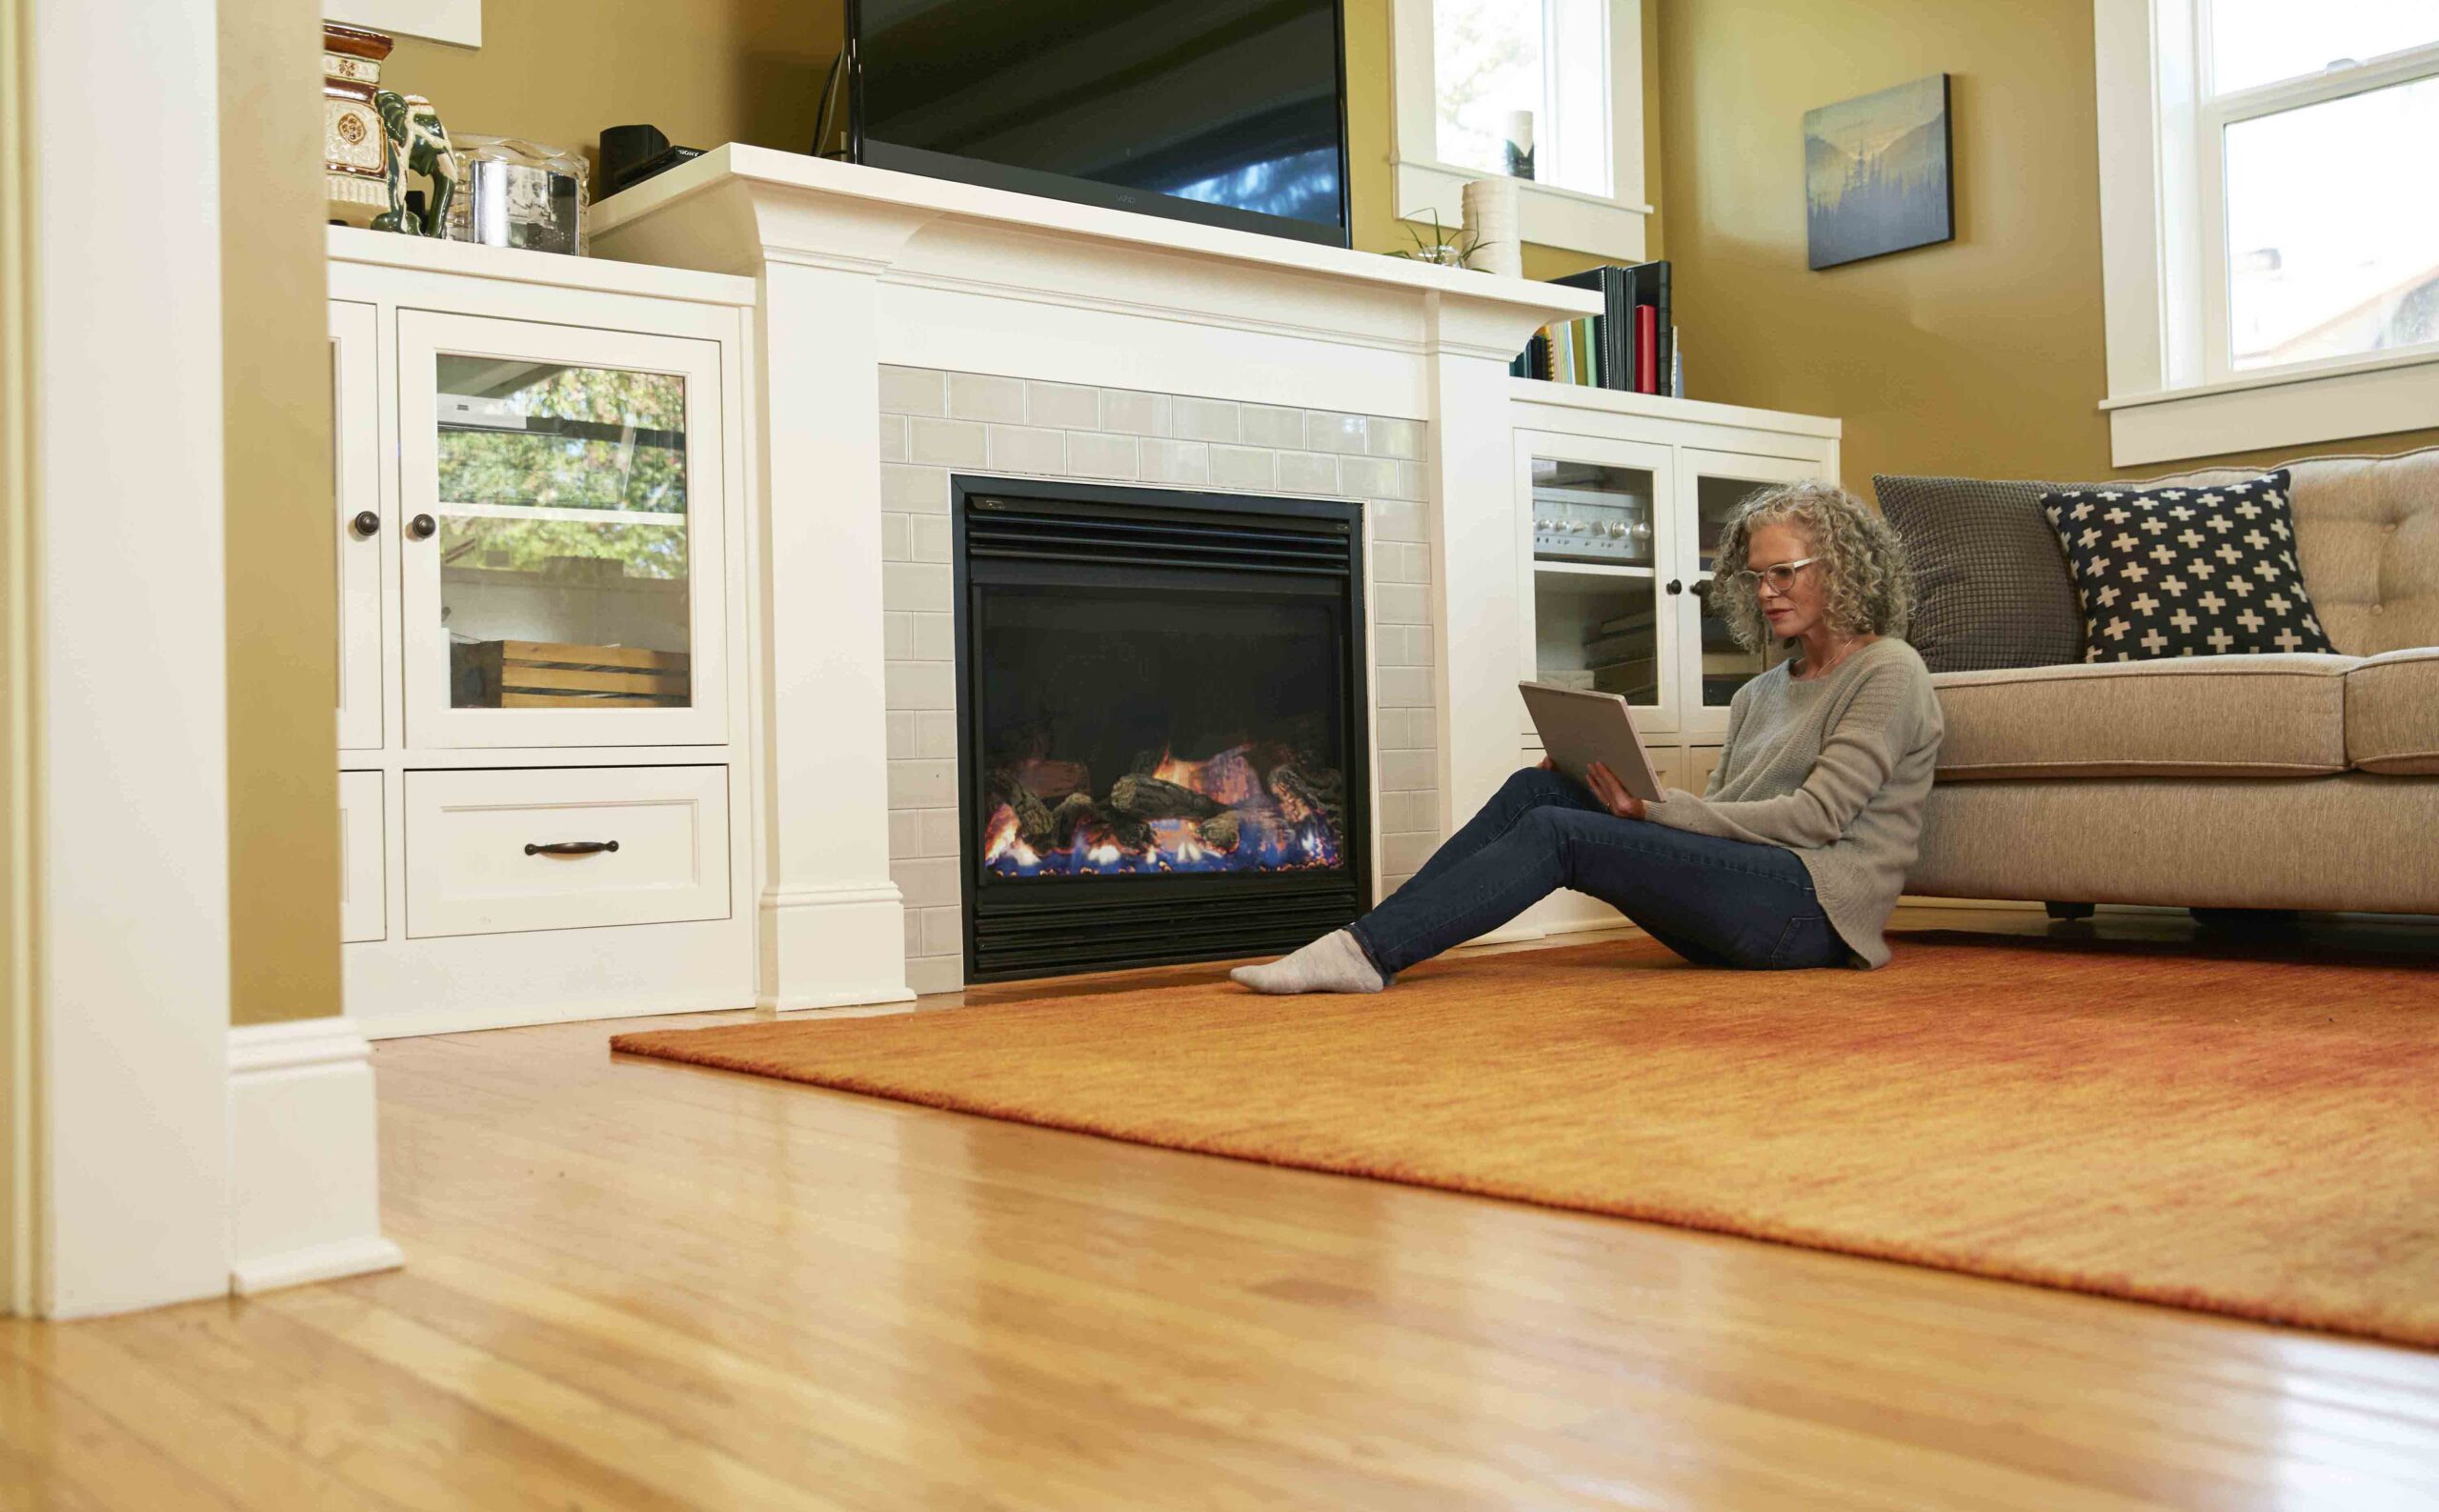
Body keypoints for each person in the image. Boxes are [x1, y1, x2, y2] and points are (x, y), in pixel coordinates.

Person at [1232, 480, 1943, 993]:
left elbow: (1816, 820)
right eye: (1755, 576)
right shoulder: (1761, 691)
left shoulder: (1889, 671)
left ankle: (1365, 952)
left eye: (1783, 573)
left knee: (1559, 833)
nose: (1764, 592)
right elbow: (1723, 817)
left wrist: (1652, 811)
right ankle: (1365, 941)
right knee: (1539, 788)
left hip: (1812, 915)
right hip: (1745, 903)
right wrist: (1600, 785)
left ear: (1842, 569)